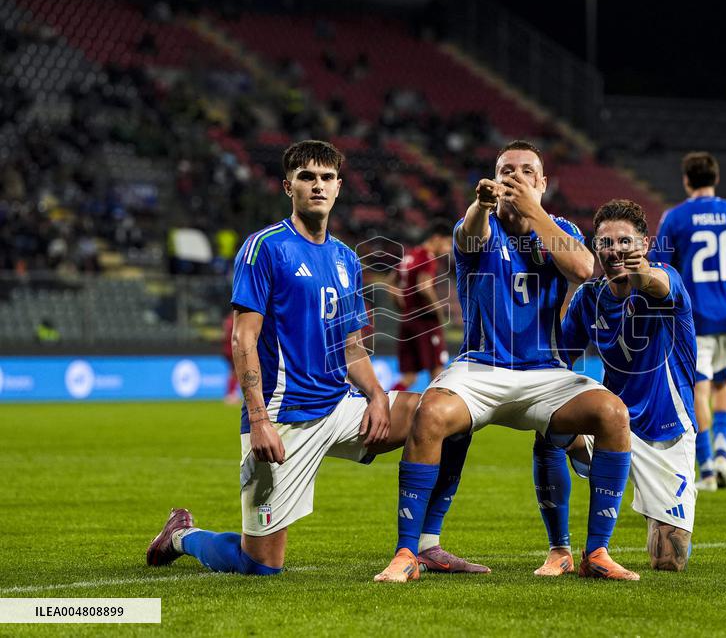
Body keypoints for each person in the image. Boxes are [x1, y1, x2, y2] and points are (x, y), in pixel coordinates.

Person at [146, 140, 482, 575]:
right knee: (260, 565)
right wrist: (259, 420)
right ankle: (181, 535)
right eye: (307, 177)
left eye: (327, 177)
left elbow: (351, 346)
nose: (318, 185)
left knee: (444, 414)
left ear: (339, 187)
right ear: (289, 186)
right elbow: (244, 339)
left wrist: (377, 396)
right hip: (284, 418)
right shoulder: (265, 247)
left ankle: (424, 545)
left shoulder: (345, 258)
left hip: (340, 409)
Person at [375, 140, 637, 583]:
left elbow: (583, 269)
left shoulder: (558, 227)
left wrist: (534, 211)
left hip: (545, 374)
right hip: (481, 368)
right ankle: (407, 552)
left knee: (613, 414)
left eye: (527, 171)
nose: (516, 176)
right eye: (506, 170)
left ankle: (596, 553)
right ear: (493, 182)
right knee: (431, 412)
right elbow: (469, 234)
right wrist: (481, 205)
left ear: (542, 183)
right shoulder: (478, 224)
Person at [533, 199, 698, 575]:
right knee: (549, 425)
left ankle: (654, 507)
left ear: (645, 245)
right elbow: (559, 362)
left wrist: (642, 273)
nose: (615, 250)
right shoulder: (589, 298)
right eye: (606, 243)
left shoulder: (666, 280)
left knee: (669, 560)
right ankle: (560, 550)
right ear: (596, 248)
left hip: (666, 432)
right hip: (612, 426)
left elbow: (658, 285)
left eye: (625, 242)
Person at [654, 152, 726, 491]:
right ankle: (721, 455)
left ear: (687, 180)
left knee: (698, 391)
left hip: (695, 319)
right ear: (715, 178)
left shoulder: (675, 218)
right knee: (723, 386)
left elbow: (658, 268)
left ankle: (707, 471)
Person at [390, 220, 453, 391]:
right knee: (437, 371)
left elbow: (391, 284)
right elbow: (424, 287)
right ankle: (436, 408)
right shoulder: (428, 257)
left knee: (409, 377)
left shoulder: (409, 256)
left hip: (407, 320)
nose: (448, 249)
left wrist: (403, 306)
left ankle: (388, 404)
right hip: (425, 321)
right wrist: (439, 311)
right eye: (448, 243)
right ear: (437, 238)